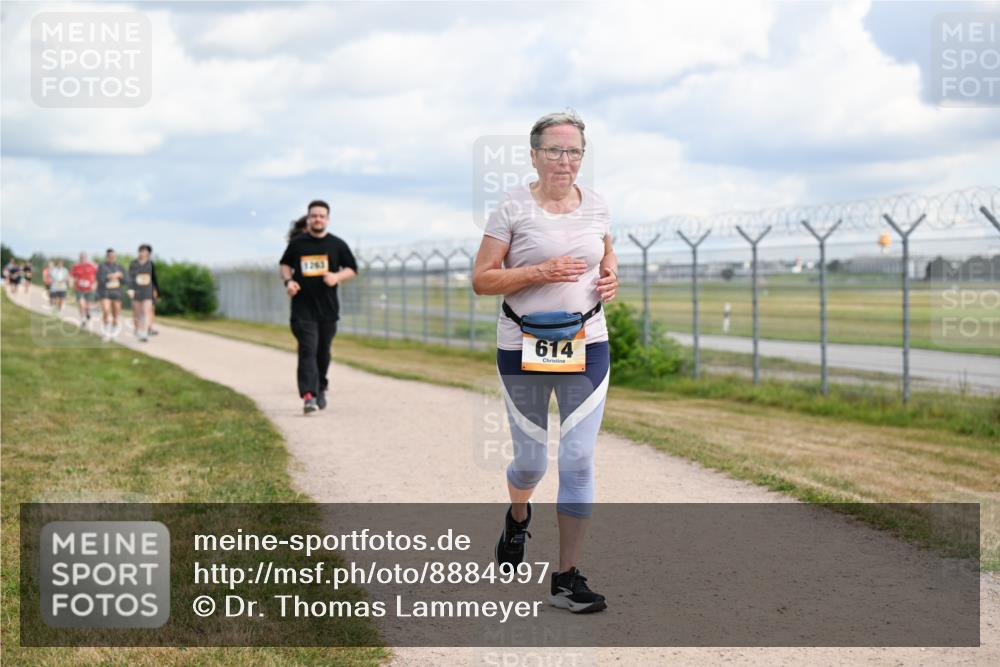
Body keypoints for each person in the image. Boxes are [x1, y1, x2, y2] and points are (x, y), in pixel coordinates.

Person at [471, 111, 619, 614]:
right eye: (554, 150)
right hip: (522, 345)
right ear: (534, 155)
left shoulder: (597, 205)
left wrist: (611, 277)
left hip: (587, 342)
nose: (564, 160)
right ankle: (517, 518)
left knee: (577, 457)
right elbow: (483, 279)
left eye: (574, 151)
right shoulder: (511, 206)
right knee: (532, 461)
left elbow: (605, 255)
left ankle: (566, 577)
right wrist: (542, 271)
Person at [279, 201, 358, 414]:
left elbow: (352, 268)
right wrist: (289, 282)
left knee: (323, 352)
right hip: (302, 308)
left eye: (322, 216)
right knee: (307, 350)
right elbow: (285, 264)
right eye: (314, 216)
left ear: (327, 219)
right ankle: (308, 396)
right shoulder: (297, 244)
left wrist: (337, 277)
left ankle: (320, 387)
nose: (318, 219)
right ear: (308, 218)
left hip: (328, 309)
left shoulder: (337, 244)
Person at [127, 244, 159, 342]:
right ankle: (137, 329)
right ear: (139, 252)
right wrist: (130, 289)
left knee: (146, 311)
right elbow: (130, 278)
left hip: (147, 291)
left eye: (145, 251)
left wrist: (156, 290)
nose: (143, 253)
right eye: (141, 251)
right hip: (136, 291)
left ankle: (144, 333)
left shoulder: (150, 264)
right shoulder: (133, 263)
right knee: (137, 313)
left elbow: (154, 278)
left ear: (148, 253)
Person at [96, 248, 127, 342]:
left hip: (116, 293)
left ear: (116, 257)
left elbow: (126, 281)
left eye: (113, 256)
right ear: (106, 257)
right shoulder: (102, 267)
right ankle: (105, 332)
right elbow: (99, 279)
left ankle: (113, 333)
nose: (112, 258)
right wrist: (108, 277)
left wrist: (121, 276)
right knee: (106, 310)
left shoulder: (120, 267)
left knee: (116, 314)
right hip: (105, 292)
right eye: (110, 256)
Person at [70, 252, 98, 322]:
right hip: (79, 289)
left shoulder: (91, 266)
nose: (83, 259)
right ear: (79, 258)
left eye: (84, 257)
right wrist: (71, 283)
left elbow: (97, 275)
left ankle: (88, 312)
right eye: (81, 257)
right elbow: (72, 276)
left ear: (86, 258)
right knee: (81, 304)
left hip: (89, 289)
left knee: (87, 306)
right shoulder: (76, 266)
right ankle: (83, 319)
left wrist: (95, 284)